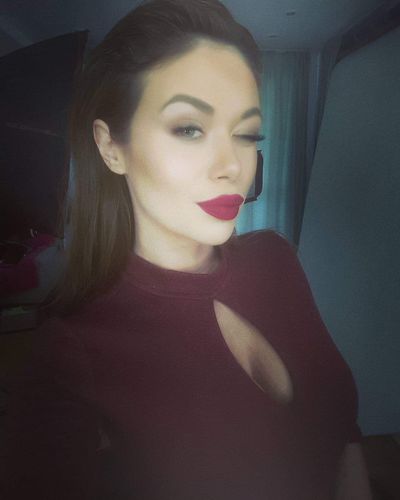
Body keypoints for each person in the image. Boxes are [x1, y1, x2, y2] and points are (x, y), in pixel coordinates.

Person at [2, 1, 372, 498]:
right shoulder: (71, 352)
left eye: (246, 133)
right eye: (189, 128)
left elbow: (342, 433)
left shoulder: (275, 260)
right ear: (111, 147)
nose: (232, 166)